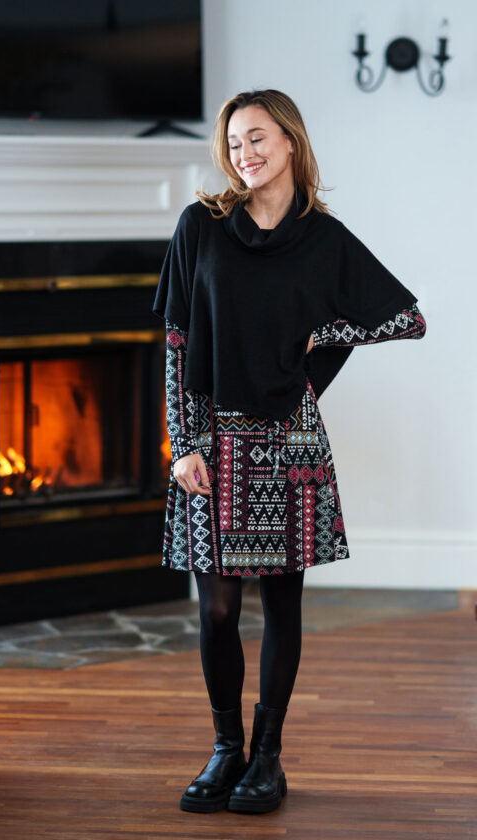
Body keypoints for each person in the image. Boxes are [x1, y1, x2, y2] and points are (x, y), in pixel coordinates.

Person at [152, 89, 426, 815]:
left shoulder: (326, 241)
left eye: (258, 138)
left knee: (281, 605)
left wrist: (322, 336)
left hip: (287, 439)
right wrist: (183, 444)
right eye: (235, 143)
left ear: (292, 143)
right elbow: (177, 342)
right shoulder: (200, 228)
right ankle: (225, 749)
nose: (245, 154)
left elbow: (407, 317)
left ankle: (267, 759)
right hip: (212, 439)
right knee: (215, 611)